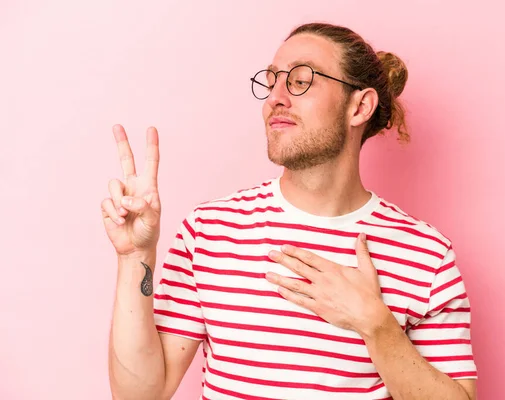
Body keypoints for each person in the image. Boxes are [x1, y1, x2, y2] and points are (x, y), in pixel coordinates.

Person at [103, 22, 477, 400]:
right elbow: (138, 395)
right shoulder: (210, 232)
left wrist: (376, 324)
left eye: (301, 80)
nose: (275, 98)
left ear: (359, 106)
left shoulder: (426, 254)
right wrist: (135, 256)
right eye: (272, 81)